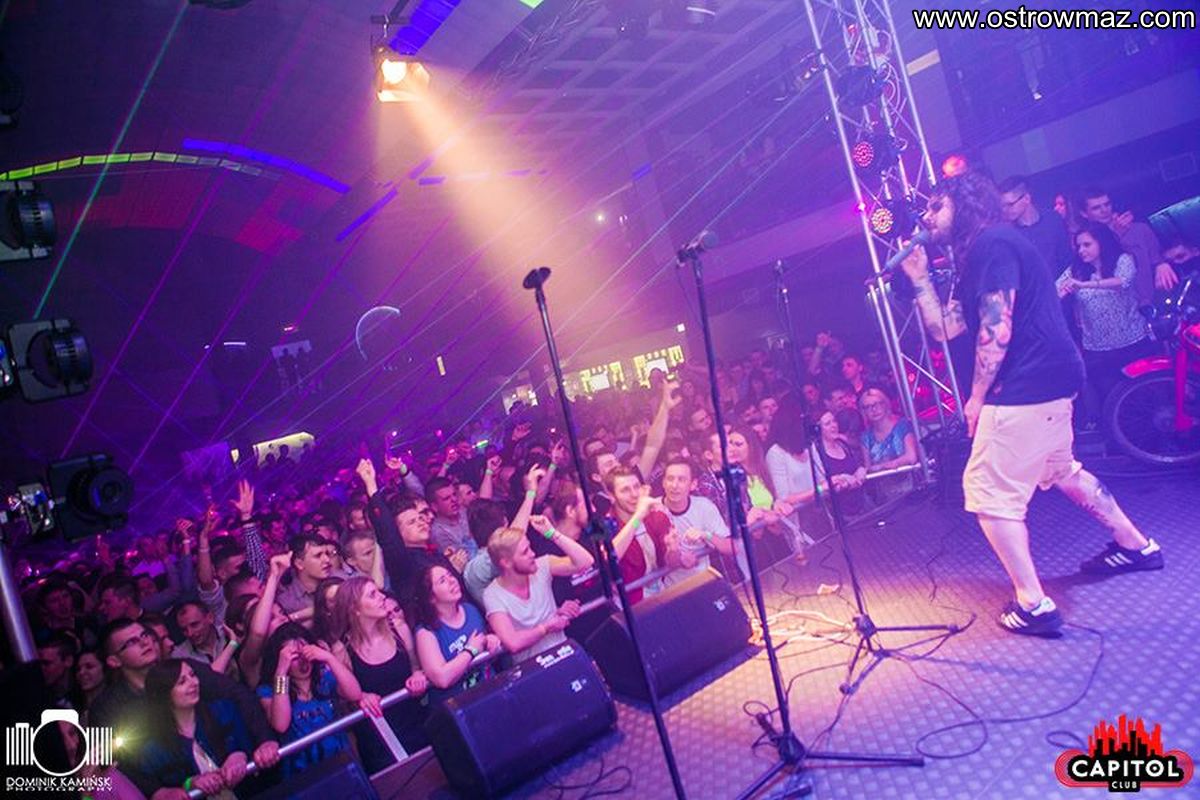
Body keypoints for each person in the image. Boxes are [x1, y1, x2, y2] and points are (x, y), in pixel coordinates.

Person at [902, 171, 1162, 637]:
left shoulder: (993, 245)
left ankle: (1033, 603)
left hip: (1027, 383)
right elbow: (946, 328)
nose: (926, 216)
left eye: (936, 206)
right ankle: (1136, 545)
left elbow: (996, 329)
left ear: (963, 205)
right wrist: (920, 279)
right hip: (1051, 379)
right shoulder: (977, 257)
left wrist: (977, 398)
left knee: (987, 491)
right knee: (1062, 470)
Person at [129, 658, 280, 799]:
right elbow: (157, 789)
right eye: (182, 682)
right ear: (164, 694)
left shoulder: (224, 710)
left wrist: (240, 755)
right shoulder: (153, 748)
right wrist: (189, 784)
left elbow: (251, 746)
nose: (194, 683)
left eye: (192, 675)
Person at [1057, 222, 1155, 423]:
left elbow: (1122, 282)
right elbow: (1054, 291)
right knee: (1111, 403)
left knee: (1143, 398)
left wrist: (1084, 285)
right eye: (1079, 246)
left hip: (1132, 342)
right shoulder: (1076, 270)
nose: (1081, 250)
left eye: (1087, 244)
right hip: (1098, 348)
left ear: (1101, 242)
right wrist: (1058, 294)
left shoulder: (1123, 260)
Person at [330, 576, 428, 772]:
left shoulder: (399, 629)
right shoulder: (342, 649)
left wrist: (418, 674)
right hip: (378, 739)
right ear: (355, 609)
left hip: (415, 722)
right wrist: (360, 697)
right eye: (372, 595)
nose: (382, 597)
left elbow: (416, 666)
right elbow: (343, 700)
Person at [482, 519, 595, 662]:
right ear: (506, 562)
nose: (533, 554)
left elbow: (586, 562)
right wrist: (546, 628)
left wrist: (552, 533)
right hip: (534, 669)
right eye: (525, 552)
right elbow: (513, 643)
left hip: (565, 655)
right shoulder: (492, 594)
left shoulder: (542, 566)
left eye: (530, 547)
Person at [258, 623, 360, 779]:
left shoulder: (324, 679)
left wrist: (329, 658)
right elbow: (280, 724)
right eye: (294, 658)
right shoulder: (268, 690)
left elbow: (355, 694)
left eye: (305, 653)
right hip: (302, 775)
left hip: (342, 765)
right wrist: (281, 672)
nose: (303, 662)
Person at [413, 564, 500, 701]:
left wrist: (490, 641)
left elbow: (484, 653)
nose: (452, 580)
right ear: (431, 598)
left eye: (450, 575)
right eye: (442, 580)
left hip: (490, 691)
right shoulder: (425, 632)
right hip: (459, 704)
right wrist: (470, 650)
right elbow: (442, 679)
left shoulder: (470, 609)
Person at [765, 395, 833, 550]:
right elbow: (784, 497)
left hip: (820, 513)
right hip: (799, 521)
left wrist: (833, 482)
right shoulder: (776, 453)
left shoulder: (808, 444)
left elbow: (822, 478)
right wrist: (818, 490)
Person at [1080, 186, 1162, 305]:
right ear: (1084, 214)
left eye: (1107, 204)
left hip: (1149, 301)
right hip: (1115, 306)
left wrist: (1162, 264)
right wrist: (1117, 236)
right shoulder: (1086, 243)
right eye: (1096, 208)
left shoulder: (1139, 230)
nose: (1104, 210)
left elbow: (1157, 260)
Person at [659, 459, 735, 587]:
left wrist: (705, 535)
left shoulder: (704, 506)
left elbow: (732, 547)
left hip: (704, 583)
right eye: (670, 479)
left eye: (681, 480)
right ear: (663, 483)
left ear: (693, 485)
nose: (674, 485)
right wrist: (677, 555)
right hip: (670, 589)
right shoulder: (653, 510)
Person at [814, 410, 867, 516]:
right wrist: (842, 481)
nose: (833, 426)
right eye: (827, 424)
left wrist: (861, 469)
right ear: (818, 429)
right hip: (841, 514)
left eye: (834, 421)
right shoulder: (817, 453)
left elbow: (856, 467)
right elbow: (819, 489)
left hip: (861, 505)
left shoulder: (843, 444)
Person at [171, 600, 240, 680]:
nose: (190, 633)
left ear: (210, 618)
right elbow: (212, 679)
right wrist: (232, 645)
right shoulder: (180, 655)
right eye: (184, 630)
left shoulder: (227, 634)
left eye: (194, 625)